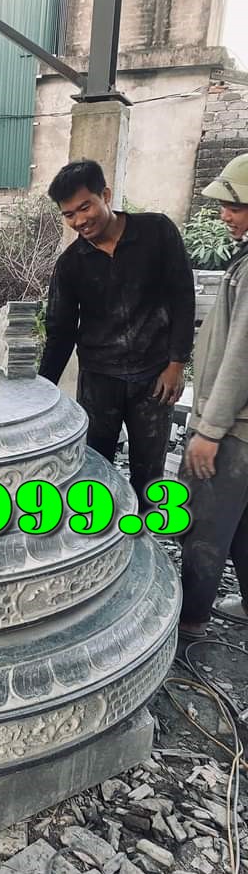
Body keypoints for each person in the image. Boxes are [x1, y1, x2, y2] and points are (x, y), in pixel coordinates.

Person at [39, 159, 195, 509]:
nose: (79, 221)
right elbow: (60, 333)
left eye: (85, 207)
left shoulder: (156, 232)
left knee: (149, 472)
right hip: (99, 379)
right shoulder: (71, 264)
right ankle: (101, 534)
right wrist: (42, 389)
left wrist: (176, 364)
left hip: (154, 377)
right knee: (94, 469)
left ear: (105, 195)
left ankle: (145, 532)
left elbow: (183, 298)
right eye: (69, 215)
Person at [179, 153, 248, 639]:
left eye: (235, 206)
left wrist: (209, 430)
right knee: (242, 525)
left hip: (234, 431)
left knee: (204, 524)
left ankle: (190, 622)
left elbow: (241, 356)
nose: (224, 215)